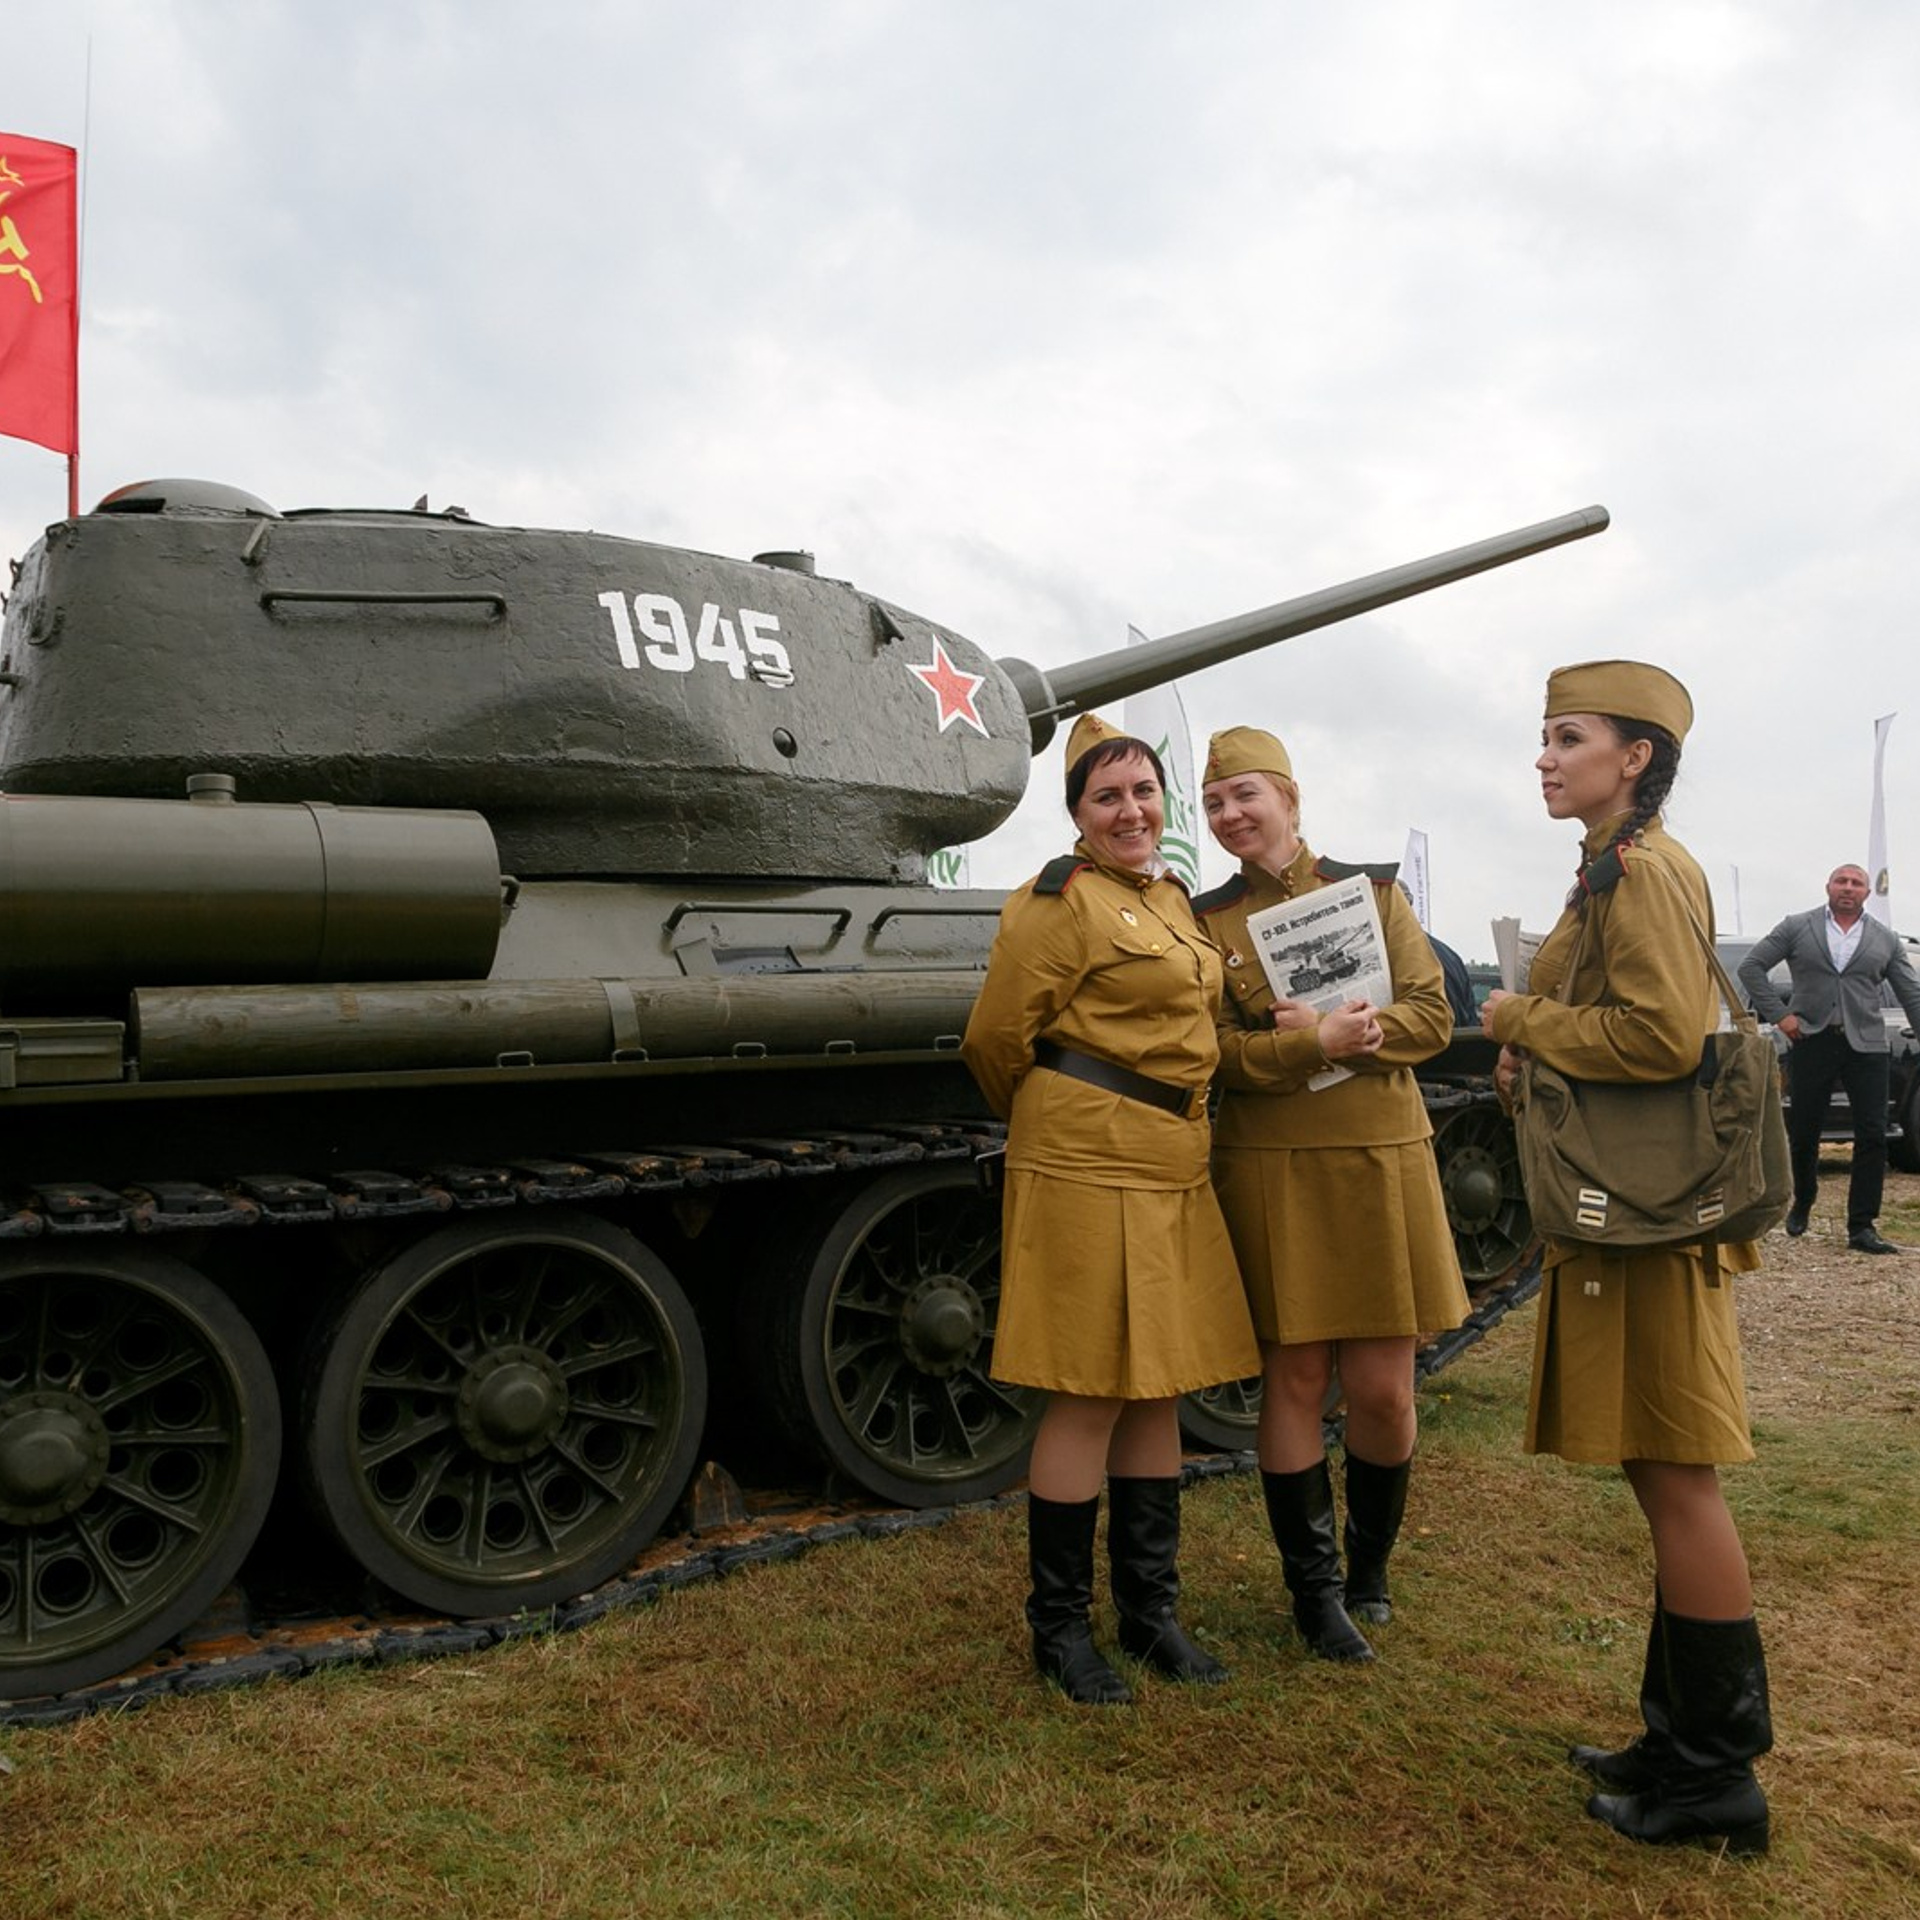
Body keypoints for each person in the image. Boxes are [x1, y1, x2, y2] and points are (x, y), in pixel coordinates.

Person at [1481, 660, 1773, 1856]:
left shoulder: (1642, 872)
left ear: (1635, 756)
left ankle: (1718, 1781)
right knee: (1662, 1476)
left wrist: (1517, 1024)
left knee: (1676, 1474)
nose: (1545, 757)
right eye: (1543, 738)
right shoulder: (1614, 864)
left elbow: (1655, 1037)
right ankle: (1678, 1738)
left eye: (1569, 737)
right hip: (1636, 1215)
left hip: (1649, 1226)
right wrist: (1536, 1058)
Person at [961, 711, 1260, 1707]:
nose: (1130, 811)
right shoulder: (1059, 902)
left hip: (1173, 1164)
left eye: (1142, 792)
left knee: (1157, 1387)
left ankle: (1150, 1614)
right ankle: (1059, 1630)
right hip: (1087, 1163)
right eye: (1107, 796)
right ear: (1079, 815)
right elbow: (998, 1041)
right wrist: (1063, 1120)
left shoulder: (1173, 899)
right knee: (1086, 1389)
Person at [1194, 727, 1469, 1663]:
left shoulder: (1373, 893)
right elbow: (1217, 1055)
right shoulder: (1204, 920)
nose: (1232, 815)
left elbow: (1434, 1015)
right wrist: (1303, 1047)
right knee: (1298, 1379)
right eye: (1215, 803)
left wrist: (1359, 1034)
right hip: (1272, 1159)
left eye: (1246, 796)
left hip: (1380, 1153)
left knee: (1386, 1390)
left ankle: (1369, 1569)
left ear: (1291, 796)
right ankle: (1314, 1595)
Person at [1737, 864, 1920, 1255]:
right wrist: (1779, 1014)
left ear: (1867, 893)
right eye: (1842, 881)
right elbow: (1752, 968)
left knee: (1872, 1135)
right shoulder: (1797, 926)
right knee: (1804, 1132)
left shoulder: (1885, 939)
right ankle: (1803, 1200)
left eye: (1857, 883)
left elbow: (1911, 993)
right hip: (1811, 1041)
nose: (1848, 888)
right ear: (1829, 887)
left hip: (1867, 1046)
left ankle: (1862, 1226)